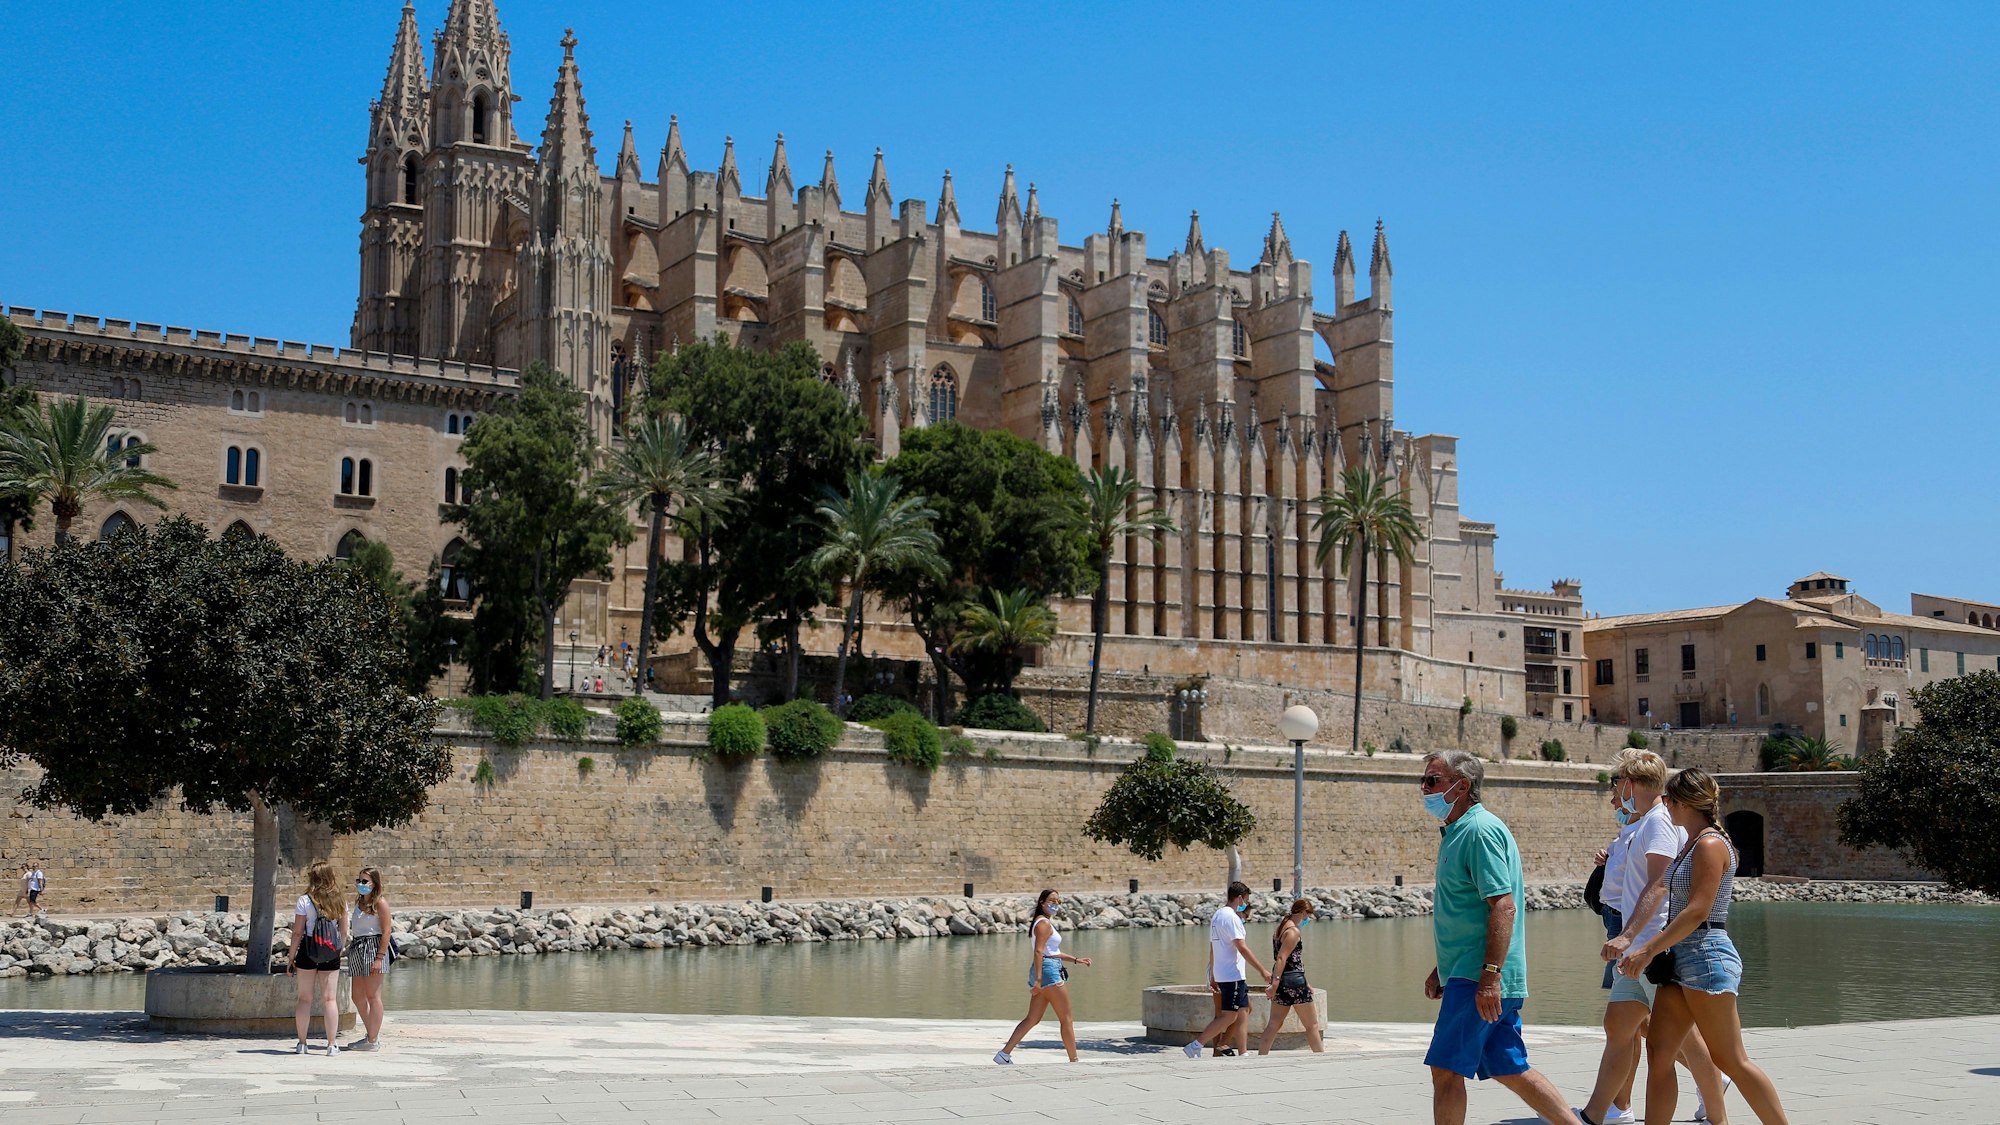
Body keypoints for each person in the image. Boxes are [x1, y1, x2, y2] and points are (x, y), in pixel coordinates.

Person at [1618, 770, 1791, 1125]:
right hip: (1681, 958)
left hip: (1706, 957)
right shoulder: (1692, 841)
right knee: (1660, 1052)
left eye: (1668, 799)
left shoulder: (1710, 844)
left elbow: (1699, 910)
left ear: (1685, 803)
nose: (1664, 805)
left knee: (1731, 1059)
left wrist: (1647, 949)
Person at [1418, 750, 1582, 1125]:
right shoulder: (1458, 832)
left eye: (1432, 780)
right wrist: (1440, 968)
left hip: (1480, 978)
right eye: (1423, 780)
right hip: (1472, 972)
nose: (1423, 788)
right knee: (1510, 1068)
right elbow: (1470, 914)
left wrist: (1490, 978)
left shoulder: (1479, 831)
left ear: (1462, 786)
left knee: (1445, 1070)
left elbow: (1503, 907)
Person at [1581, 751, 1729, 1125]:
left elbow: (1660, 884)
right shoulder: (1644, 822)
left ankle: (1717, 1113)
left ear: (1629, 783)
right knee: (1618, 1026)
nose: (1614, 789)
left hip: (1648, 946)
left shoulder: (1659, 822)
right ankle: (1594, 1115)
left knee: (1681, 1041)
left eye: (1617, 782)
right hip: (1635, 946)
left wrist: (1632, 938)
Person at [994, 888, 1090, 1064]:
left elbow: (1052, 952)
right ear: (1042, 903)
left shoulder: (1042, 922)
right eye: (1052, 901)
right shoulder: (1043, 924)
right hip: (1048, 972)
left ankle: (1004, 1054)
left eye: (1058, 902)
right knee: (1066, 1019)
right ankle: (1074, 1060)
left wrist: (1075, 960)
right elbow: (1039, 952)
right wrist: (1037, 981)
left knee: (1033, 1018)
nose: (1055, 905)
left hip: (1046, 969)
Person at [1182, 881, 1271, 1059]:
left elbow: (1212, 947)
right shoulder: (1231, 918)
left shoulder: (1218, 915)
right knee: (1229, 1016)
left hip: (1226, 973)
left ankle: (1243, 1052)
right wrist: (1263, 970)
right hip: (1232, 975)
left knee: (1244, 1010)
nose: (1245, 903)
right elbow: (1242, 947)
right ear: (1240, 898)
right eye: (1245, 899)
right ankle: (1196, 1045)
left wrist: (1213, 974)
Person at [288, 859, 349, 1056]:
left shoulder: (304, 900)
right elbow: (344, 931)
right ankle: (331, 1044)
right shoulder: (341, 901)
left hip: (308, 950)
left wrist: (291, 958)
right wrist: (336, 951)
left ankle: (302, 1043)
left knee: (304, 998)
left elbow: (297, 932)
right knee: (330, 999)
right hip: (331, 951)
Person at [1255, 898, 1324, 1055]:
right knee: (1312, 1025)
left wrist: (1279, 982)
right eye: (1307, 915)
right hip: (1294, 982)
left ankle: (1261, 1056)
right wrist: (1274, 984)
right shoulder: (1293, 932)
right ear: (1301, 912)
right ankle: (1321, 1057)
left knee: (1274, 1023)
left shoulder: (1279, 930)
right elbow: (1282, 958)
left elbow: (1291, 961)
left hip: (1287, 981)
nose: (1308, 919)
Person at [344, 866, 394, 1051]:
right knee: (357, 996)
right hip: (357, 946)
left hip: (373, 947)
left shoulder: (380, 903)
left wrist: (380, 957)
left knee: (373, 995)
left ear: (374, 883)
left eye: (365, 881)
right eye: (359, 881)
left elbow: (387, 931)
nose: (361, 884)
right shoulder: (359, 901)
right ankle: (371, 1033)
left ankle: (372, 1040)